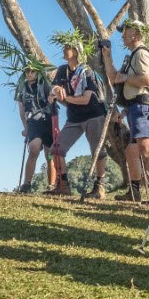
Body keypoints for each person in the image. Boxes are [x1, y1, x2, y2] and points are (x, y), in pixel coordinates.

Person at [102, 20, 149, 207]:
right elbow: (115, 78)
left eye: (126, 32)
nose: (123, 35)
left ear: (137, 35)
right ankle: (134, 191)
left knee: (147, 150)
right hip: (134, 108)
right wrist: (107, 57)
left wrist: (126, 78)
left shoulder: (141, 53)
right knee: (132, 151)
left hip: (143, 108)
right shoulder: (132, 56)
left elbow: (148, 80)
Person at [47, 40, 108, 197]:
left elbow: (85, 99)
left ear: (75, 51)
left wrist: (64, 97)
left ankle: (99, 187)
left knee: (98, 151)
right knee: (57, 149)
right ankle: (64, 185)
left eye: (67, 47)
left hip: (94, 115)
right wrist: (56, 89)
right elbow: (53, 89)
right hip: (74, 117)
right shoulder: (62, 70)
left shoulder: (87, 72)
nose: (63, 49)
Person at [14, 68, 57, 193]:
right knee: (34, 149)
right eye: (27, 71)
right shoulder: (22, 88)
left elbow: (53, 101)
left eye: (32, 71)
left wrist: (55, 124)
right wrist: (25, 127)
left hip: (47, 120)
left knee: (50, 155)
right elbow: (21, 110)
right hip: (33, 121)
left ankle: (52, 185)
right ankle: (27, 184)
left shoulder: (45, 84)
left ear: (37, 73)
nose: (29, 73)